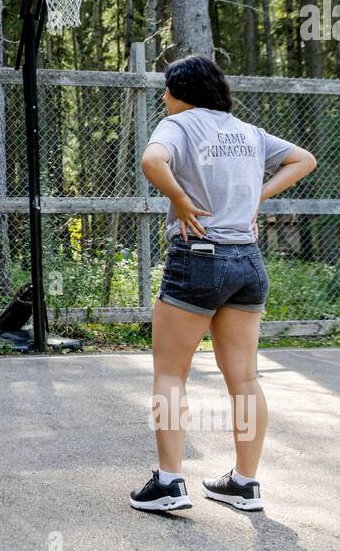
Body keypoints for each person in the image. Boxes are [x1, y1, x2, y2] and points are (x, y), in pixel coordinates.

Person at [131, 55, 316, 515]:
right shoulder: (246, 132)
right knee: (245, 378)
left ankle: (171, 483)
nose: (165, 100)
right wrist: (257, 194)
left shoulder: (180, 125)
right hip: (247, 264)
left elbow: (151, 160)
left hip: (198, 259)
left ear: (178, 93)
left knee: (171, 374)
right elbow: (303, 159)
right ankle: (245, 483)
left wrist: (179, 197)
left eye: (166, 93)